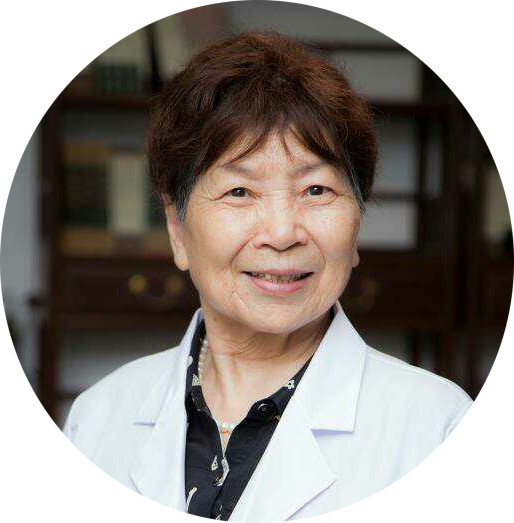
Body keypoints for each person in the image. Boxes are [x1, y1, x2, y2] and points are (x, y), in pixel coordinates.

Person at [63, 31, 472, 521]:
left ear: (356, 224)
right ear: (177, 230)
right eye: (239, 192)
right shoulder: (97, 418)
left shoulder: (438, 428)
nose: (282, 233)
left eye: (316, 190)